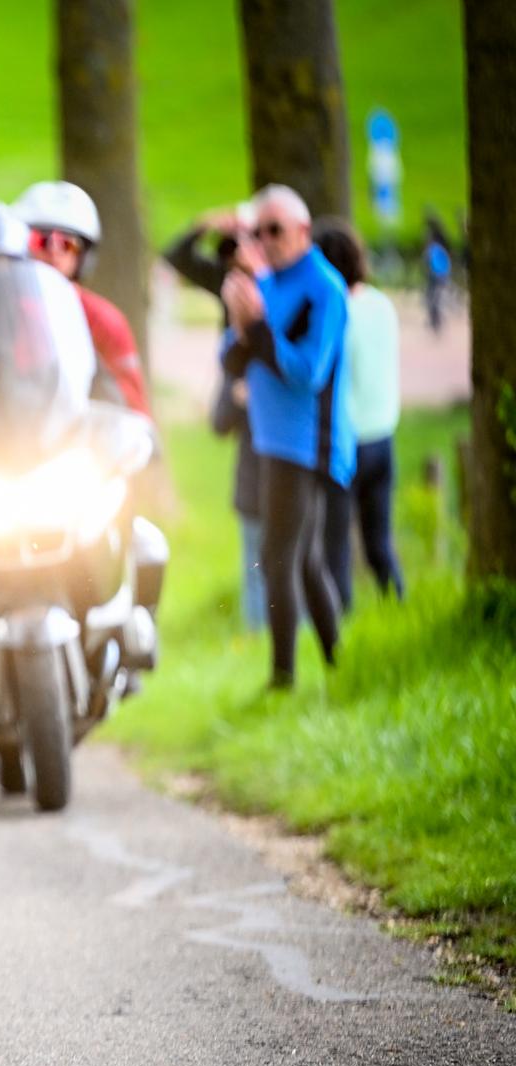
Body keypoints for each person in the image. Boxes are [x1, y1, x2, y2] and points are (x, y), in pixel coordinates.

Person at [221, 184, 353, 690]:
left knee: (277, 556)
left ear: (302, 230)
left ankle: (282, 678)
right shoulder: (268, 283)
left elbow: (308, 373)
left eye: (274, 230)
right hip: (269, 441)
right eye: (256, 231)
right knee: (303, 557)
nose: (265, 240)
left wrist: (256, 328)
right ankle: (336, 660)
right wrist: (242, 321)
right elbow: (232, 359)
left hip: (306, 443)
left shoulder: (324, 287)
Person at [163, 207, 263, 629]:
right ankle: (256, 617)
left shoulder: (274, 284)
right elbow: (176, 255)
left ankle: (266, 616)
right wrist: (207, 225)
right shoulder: (226, 280)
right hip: (238, 391)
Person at [314, 217, 405, 601]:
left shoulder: (335, 312)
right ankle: (398, 604)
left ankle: (341, 627)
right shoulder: (382, 305)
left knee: (336, 548)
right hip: (384, 435)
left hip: (346, 441)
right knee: (378, 543)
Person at [13, 181, 151, 418]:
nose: (54, 250)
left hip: (78, 442)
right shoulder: (0, 310)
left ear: (83, 256)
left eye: (68, 243)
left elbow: (133, 408)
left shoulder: (104, 319)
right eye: (41, 240)